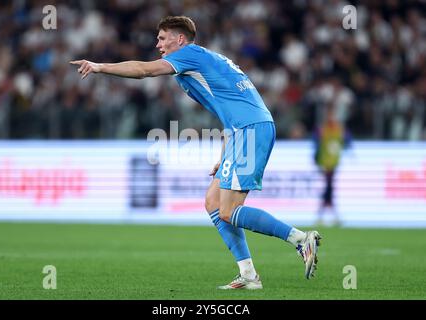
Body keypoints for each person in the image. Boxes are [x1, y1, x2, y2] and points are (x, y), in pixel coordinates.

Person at [70, 16, 321, 289]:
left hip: (250, 130)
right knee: (213, 202)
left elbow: (144, 71)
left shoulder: (189, 55)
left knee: (229, 210)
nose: (158, 44)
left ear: (180, 39)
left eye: (162, 38)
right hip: (242, 130)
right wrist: (225, 154)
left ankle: (299, 238)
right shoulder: (204, 60)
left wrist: (99, 66)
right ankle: (248, 275)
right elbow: (230, 107)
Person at [313, 104, 351, 226]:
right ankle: (330, 216)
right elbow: (317, 146)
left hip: (334, 163)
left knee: (328, 190)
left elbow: (346, 142)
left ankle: (323, 216)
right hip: (326, 164)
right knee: (329, 189)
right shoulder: (323, 129)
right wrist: (318, 162)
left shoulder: (339, 129)